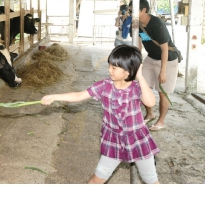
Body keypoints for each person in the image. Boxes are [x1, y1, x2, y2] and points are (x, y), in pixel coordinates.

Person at [41, 45, 160, 184]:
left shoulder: (136, 88)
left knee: (150, 179)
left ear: (128, 71)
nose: (109, 70)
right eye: (109, 65)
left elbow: (150, 102)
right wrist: (55, 97)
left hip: (137, 140)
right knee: (97, 179)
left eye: (114, 68)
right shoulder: (104, 85)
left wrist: (140, 76)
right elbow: (80, 95)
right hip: (113, 140)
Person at [129, 0, 179, 131]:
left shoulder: (157, 24)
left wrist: (163, 71)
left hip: (167, 59)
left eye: (133, 11)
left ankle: (161, 121)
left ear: (144, 10)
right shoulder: (137, 24)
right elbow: (139, 45)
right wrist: (136, 63)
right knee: (141, 85)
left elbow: (164, 49)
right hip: (151, 58)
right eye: (130, 11)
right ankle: (150, 113)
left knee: (163, 91)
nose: (130, 13)